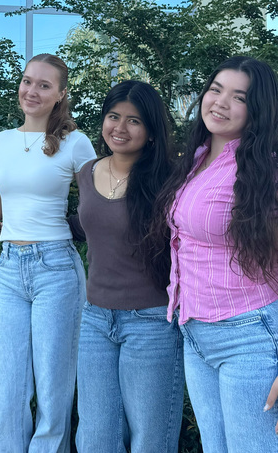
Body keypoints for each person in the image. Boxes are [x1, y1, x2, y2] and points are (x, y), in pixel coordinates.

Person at [151, 55, 278, 453]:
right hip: (197, 335)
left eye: (239, 97)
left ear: (258, 109)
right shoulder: (195, 161)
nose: (220, 102)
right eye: (215, 89)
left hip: (258, 340)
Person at [0, 53, 96, 453]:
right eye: (28, 81)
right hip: (9, 268)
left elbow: (99, 203)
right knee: (6, 387)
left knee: (53, 387)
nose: (32, 91)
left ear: (61, 94)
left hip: (56, 268)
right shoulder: (2, 142)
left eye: (44, 85)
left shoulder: (75, 142)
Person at [70, 80, 183, 453]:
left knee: (150, 439)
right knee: (95, 438)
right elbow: (90, 226)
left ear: (151, 131)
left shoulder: (170, 179)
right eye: (113, 116)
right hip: (96, 319)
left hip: (150, 321)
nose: (120, 128)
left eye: (134, 121)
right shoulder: (86, 173)